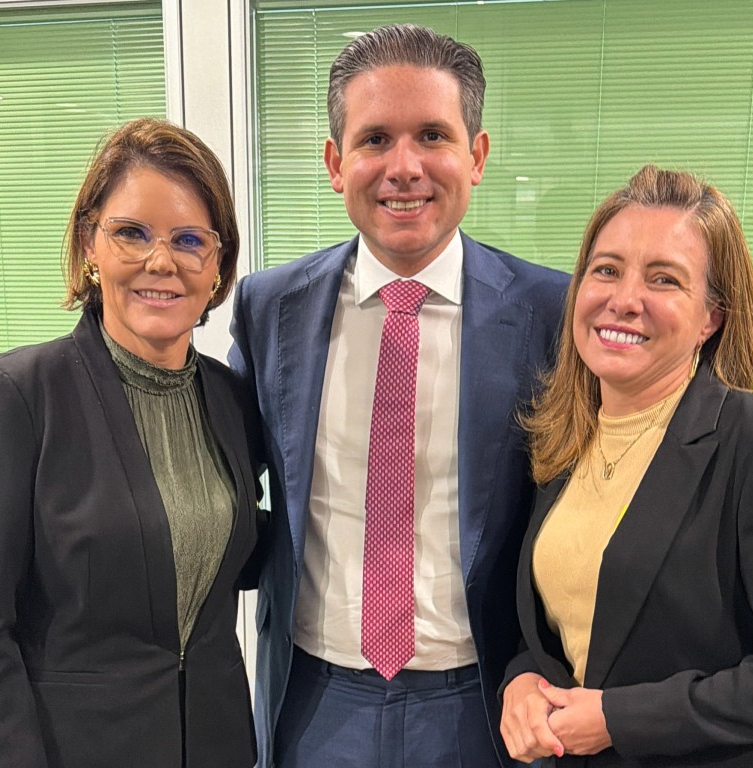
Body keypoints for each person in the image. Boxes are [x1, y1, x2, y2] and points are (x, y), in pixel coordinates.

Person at [229, 23, 569, 768]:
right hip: (315, 705)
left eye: (433, 136)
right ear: (335, 162)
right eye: (375, 139)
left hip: (483, 704)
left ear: (476, 157)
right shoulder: (269, 307)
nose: (404, 167)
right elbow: (216, 473)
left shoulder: (551, 311)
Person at [0, 118, 260, 768]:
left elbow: (232, 552)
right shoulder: (16, 395)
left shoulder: (232, 399)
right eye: (131, 233)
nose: (160, 262)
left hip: (217, 745)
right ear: (90, 242)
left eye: (189, 240)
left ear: (217, 264)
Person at [499, 164, 753, 767]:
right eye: (606, 270)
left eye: (664, 279)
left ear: (710, 317)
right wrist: (521, 679)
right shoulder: (561, 437)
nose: (624, 300)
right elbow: (573, 624)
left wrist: (620, 720)